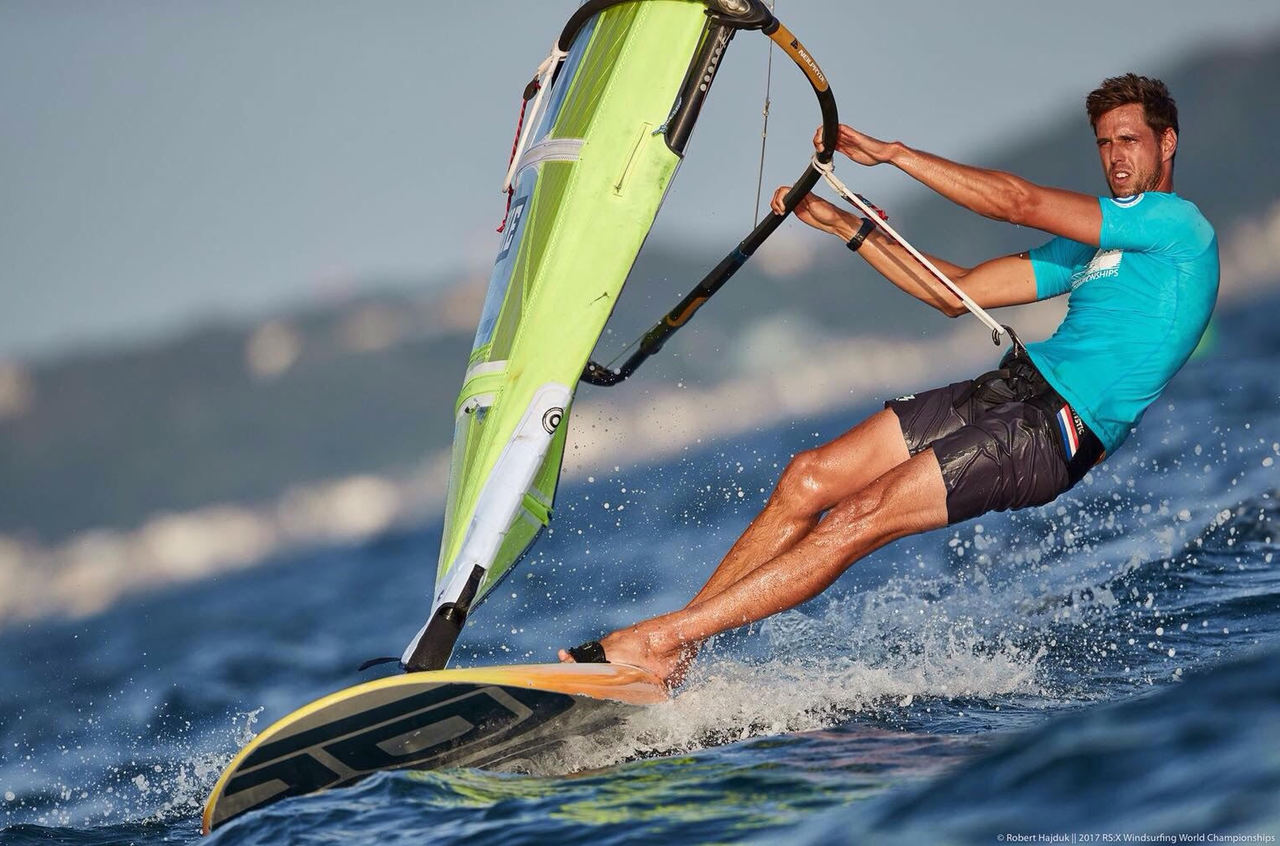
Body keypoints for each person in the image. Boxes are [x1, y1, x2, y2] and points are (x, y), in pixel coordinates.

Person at [560, 73, 1219, 687]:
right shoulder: (1095, 246)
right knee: (808, 478)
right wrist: (850, 224)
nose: (1115, 157)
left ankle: (656, 640)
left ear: (1167, 142)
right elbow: (954, 292)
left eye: (1128, 139)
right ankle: (676, 653)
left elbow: (1017, 201)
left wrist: (895, 154)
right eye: (1104, 143)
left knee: (859, 515)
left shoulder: (1178, 226)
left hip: (1056, 430)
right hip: (1013, 390)